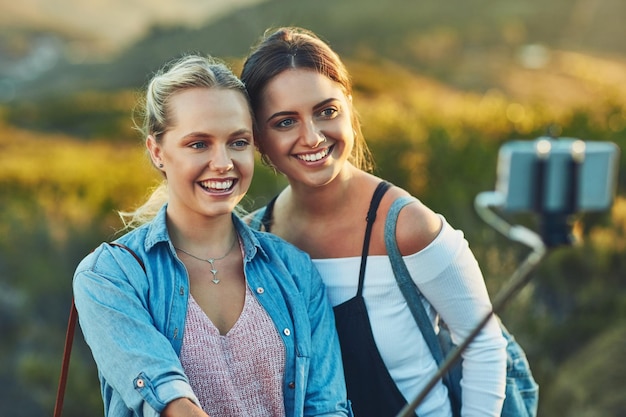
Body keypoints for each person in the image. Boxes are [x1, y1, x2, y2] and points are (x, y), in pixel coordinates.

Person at [240, 27, 508, 417]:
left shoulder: (407, 226)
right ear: (257, 136)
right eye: (285, 122)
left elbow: (483, 344)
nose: (312, 137)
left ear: (349, 106)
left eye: (326, 111)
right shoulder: (255, 239)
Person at [73, 53, 352, 417]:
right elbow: (170, 402)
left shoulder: (294, 270)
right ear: (157, 151)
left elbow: (327, 408)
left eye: (237, 142)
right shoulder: (110, 276)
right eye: (199, 144)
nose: (223, 163)